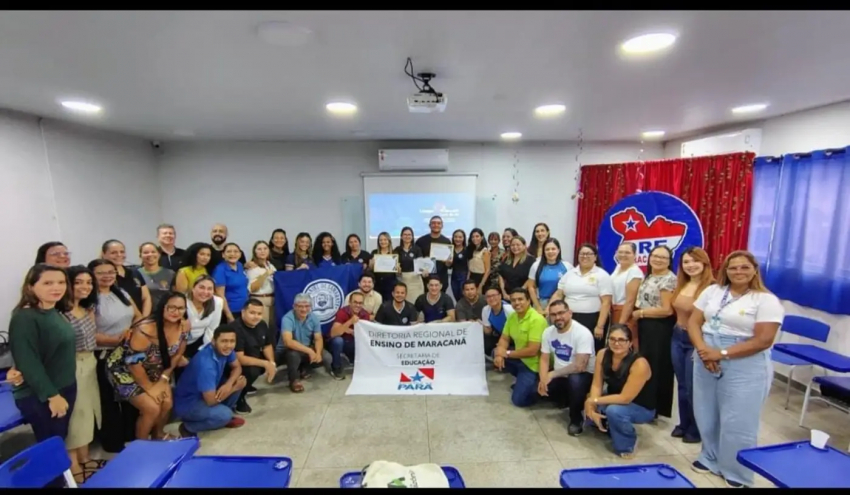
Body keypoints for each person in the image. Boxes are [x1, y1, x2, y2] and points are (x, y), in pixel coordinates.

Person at [688, 250, 784, 488]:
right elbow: (693, 322)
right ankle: (710, 457)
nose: (738, 271)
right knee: (706, 411)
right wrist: (704, 350)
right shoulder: (713, 291)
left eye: (744, 267)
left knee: (738, 419)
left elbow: (764, 340)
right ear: (725, 270)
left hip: (744, 360)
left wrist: (720, 354)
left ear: (755, 270)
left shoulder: (765, 300)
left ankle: (737, 470)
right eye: (733, 267)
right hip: (706, 352)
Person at [8, 265, 77, 448]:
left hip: (64, 386)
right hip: (43, 394)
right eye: (47, 283)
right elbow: (28, 361)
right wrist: (52, 396)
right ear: (31, 286)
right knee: (51, 446)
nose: (56, 287)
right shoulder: (25, 317)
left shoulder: (54, 311)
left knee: (59, 440)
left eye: (61, 282)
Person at [106, 293, 189, 441]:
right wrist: (151, 388)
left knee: (167, 403)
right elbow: (133, 363)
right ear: (162, 307)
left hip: (156, 368)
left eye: (181, 308)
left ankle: (159, 435)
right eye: (171, 307)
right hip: (124, 369)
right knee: (152, 408)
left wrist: (164, 378)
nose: (176, 312)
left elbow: (177, 354)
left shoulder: (184, 325)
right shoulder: (145, 329)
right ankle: (141, 445)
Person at [89, 258, 141, 454]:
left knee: (130, 396)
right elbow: (88, 332)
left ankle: (131, 435)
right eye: (101, 273)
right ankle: (113, 442)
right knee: (109, 401)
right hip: (104, 353)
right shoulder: (90, 299)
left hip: (127, 351)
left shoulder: (122, 293)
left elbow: (138, 315)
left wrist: (132, 334)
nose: (107, 276)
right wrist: (115, 340)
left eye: (111, 272)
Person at [585, 324, 656, 459]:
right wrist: (592, 404)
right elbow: (596, 384)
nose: (616, 343)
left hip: (640, 406)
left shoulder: (639, 364)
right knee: (591, 401)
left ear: (630, 343)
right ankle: (606, 424)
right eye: (612, 339)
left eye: (621, 340)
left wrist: (593, 401)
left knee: (614, 411)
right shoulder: (602, 354)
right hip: (614, 398)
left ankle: (627, 445)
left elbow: (625, 398)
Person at [63, 266, 104, 482]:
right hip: (72, 364)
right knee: (76, 416)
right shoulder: (61, 314)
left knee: (89, 411)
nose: (85, 287)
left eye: (89, 282)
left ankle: (85, 457)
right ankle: (73, 466)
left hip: (90, 362)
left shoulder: (87, 308)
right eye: (78, 282)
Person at [670, 247, 714, 444]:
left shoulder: (712, 288)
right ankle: (684, 423)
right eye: (686, 262)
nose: (690, 265)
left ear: (704, 263)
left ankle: (696, 429)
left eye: (695, 261)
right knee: (682, 384)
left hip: (696, 340)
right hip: (677, 336)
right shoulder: (682, 284)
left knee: (693, 386)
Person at [174, 326, 247, 437]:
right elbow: (211, 401)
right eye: (224, 341)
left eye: (232, 341)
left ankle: (218, 414)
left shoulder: (227, 350)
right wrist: (234, 388)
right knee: (225, 415)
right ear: (213, 341)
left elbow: (237, 367)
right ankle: (188, 427)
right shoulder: (206, 365)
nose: (228, 345)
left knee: (237, 379)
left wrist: (228, 384)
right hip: (189, 404)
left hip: (207, 394)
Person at [538, 300, 595, 436]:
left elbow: (579, 366)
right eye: (553, 315)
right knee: (535, 391)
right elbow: (544, 358)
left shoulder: (582, 333)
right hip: (560, 374)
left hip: (583, 375)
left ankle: (576, 419)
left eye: (561, 313)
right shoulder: (548, 332)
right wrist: (543, 379)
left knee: (575, 381)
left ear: (570, 313)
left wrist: (551, 374)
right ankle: (567, 399)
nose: (557, 317)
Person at [633, 245, 677, 419]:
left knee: (656, 366)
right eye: (655, 256)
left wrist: (641, 313)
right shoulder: (650, 275)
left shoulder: (668, 279)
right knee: (645, 363)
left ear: (669, 261)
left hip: (658, 327)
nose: (658, 260)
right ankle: (645, 402)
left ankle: (654, 407)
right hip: (645, 325)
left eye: (663, 257)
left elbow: (667, 310)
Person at [552, 243, 613, 351]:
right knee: (570, 348)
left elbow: (606, 302)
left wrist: (600, 326)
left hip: (593, 319)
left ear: (595, 257)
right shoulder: (569, 274)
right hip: (570, 318)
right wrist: (549, 309)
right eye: (582, 254)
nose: (585, 256)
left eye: (588, 254)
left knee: (590, 349)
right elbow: (559, 294)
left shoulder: (602, 275)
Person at [493, 288, 547, 408]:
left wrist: (506, 353)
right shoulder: (513, 316)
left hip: (534, 364)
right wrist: (499, 354)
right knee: (495, 353)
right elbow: (504, 339)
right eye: (513, 300)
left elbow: (532, 351)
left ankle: (538, 387)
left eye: (520, 299)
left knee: (519, 400)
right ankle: (522, 381)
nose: (517, 303)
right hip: (521, 359)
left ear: (528, 301)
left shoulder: (536, 320)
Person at [230, 299, 277, 414]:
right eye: (252, 313)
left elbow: (267, 345)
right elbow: (239, 357)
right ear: (243, 312)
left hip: (252, 354)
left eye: (259, 313)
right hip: (234, 363)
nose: (256, 317)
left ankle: (247, 384)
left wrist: (271, 363)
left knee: (268, 361)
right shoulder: (235, 328)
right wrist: (265, 364)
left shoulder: (262, 324)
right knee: (253, 370)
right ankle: (239, 397)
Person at [277, 293, 325, 393]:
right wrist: (310, 351)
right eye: (300, 306)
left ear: (311, 307)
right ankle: (294, 380)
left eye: (307, 306)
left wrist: (318, 353)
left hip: (305, 348)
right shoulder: (287, 318)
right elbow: (288, 342)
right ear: (294, 306)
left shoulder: (314, 318)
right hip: (286, 351)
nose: (304, 309)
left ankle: (303, 368)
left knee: (326, 357)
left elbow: (318, 338)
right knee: (293, 355)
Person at [102, 239, 152, 317]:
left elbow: (146, 298)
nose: (119, 255)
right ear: (104, 254)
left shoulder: (134, 272)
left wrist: (143, 319)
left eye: (122, 252)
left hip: (140, 319)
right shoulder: (104, 278)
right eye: (113, 253)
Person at [328, 291, 370, 380]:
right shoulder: (342, 312)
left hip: (354, 342)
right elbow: (333, 333)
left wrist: (353, 332)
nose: (358, 305)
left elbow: (366, 334)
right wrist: (350, 322)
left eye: (360, 303)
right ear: (350, 302)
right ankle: (336, 367)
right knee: (338, 341)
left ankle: (356, 362)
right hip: (341, 342)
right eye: (355, 302)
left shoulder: (365, 314)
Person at [610, 242, 643, 350]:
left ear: (634, 255)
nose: (623, 255)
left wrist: (621, 324)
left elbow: (630, 301)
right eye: (620, 252)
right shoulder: (618, 267)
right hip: (614, 310)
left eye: (627, 252)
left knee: (624, 344)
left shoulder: (634, 272)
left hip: (625, 313)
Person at [528, 238, 572, 314]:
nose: (550, 252)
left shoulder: (567, 266)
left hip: (561, 304)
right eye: (547, 249)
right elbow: (531, 287)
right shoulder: (536, 266)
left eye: (553, 249)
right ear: (543, 251)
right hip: (541, 304)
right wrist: (538, 307)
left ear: (558, 250)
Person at [184, 276, 224, 359]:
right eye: (201, 287)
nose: (205, 292)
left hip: (200, 342)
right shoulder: (183, 301)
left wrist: (204, 351)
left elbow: (212, 329)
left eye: (209, 289)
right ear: (193, 288)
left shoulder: (217, 302)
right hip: (179, 343)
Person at [212, 242, 249, 323]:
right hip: (230, 311)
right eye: (229, 251)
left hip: (244, 309)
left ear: (240, 254)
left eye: (235, 251)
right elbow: (220, 295)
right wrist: (229, 316)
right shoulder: (220, 270)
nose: (232, 254)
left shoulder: (240, 265)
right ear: (223, 255)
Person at [415, 216, 452, 292]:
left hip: (441, 278)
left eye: (438, 223)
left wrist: (448, 263)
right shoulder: (421, 241)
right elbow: (417, 260)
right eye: (433, 223)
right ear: (429, 225)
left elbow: (449, 264)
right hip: (425, 278)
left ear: (442, 225)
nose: (436, 225)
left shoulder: (447, 241)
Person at [246, 240, 277, 327]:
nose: (262, 251)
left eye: (265, 248)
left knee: (272, 328)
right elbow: (253, 288)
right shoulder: (252, 267)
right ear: (255, 252)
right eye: (259, 249)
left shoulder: (270, 265)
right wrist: (265, 274)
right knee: (262, 327)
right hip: (259, 300)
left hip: (272, 300)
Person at [138, 242, 175, 309]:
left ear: (159, 254)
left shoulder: (170, 273)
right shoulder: (135, 274)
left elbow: (175, 296)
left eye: (153, 252)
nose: (150, 254)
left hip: (164, 312)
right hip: (141, 312)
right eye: (146, 252)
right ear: (140, 256)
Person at [395, 226, 426, 303]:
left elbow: (421, 265)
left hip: (415, 280)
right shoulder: (397, 250)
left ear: (412, 237)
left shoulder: (417, 249)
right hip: (402, 279)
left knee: (417, 302)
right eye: (405, 234)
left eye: (409, 235)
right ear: (401, 236)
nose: (407, 236)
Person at [498, 235, 535, 301]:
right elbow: (501, 275)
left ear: (524, 246)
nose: (515, 247)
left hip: (523, 296)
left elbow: (531, 279)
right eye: (512, 245)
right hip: (506, 295)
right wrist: (503, 292)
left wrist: (518, 293)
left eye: (518, 245)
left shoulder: (531, 260)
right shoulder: (507, 259)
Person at [481, 286, 514, 358]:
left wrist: (501, 345)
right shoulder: (485, 310)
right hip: (501, 336)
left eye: (494, 295)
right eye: (488, 297)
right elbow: (488, 331)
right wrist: (479, 324)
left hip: (514, 337)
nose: (491, 298)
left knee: (500, 353)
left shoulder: (509, 309)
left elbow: (515, 331)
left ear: (500, 296)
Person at [370, 232, 397, 301]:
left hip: (390, 284)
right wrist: (371, 264)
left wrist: (398, 268)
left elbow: (398, 272)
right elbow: (370, 269)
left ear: (389, 241)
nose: (383, 242)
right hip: (377, 283)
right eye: (380, 240)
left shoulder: (394, 253)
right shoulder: (374, 252)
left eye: (385, 240)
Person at [466, 228, 491, 293]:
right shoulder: (471, 250)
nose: (475, 238)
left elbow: (488, 270)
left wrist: (481, 285)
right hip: (472, 277)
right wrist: (467, 280)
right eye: (473, 237)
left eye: (477, 236)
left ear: (482, 237)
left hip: (481, 278)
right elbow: (469, 268)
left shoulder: (485, 251)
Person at [448, 229, 468, 301]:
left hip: (464, 277)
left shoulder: (467, 250)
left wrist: (468, 278)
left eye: (460, 237)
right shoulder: (450, 250)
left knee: (465, 297)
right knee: (457, 297)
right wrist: (448, 264)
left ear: (464, 238)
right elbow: (449, 266)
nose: (457, 239)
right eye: (455, 237)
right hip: (454, 277)